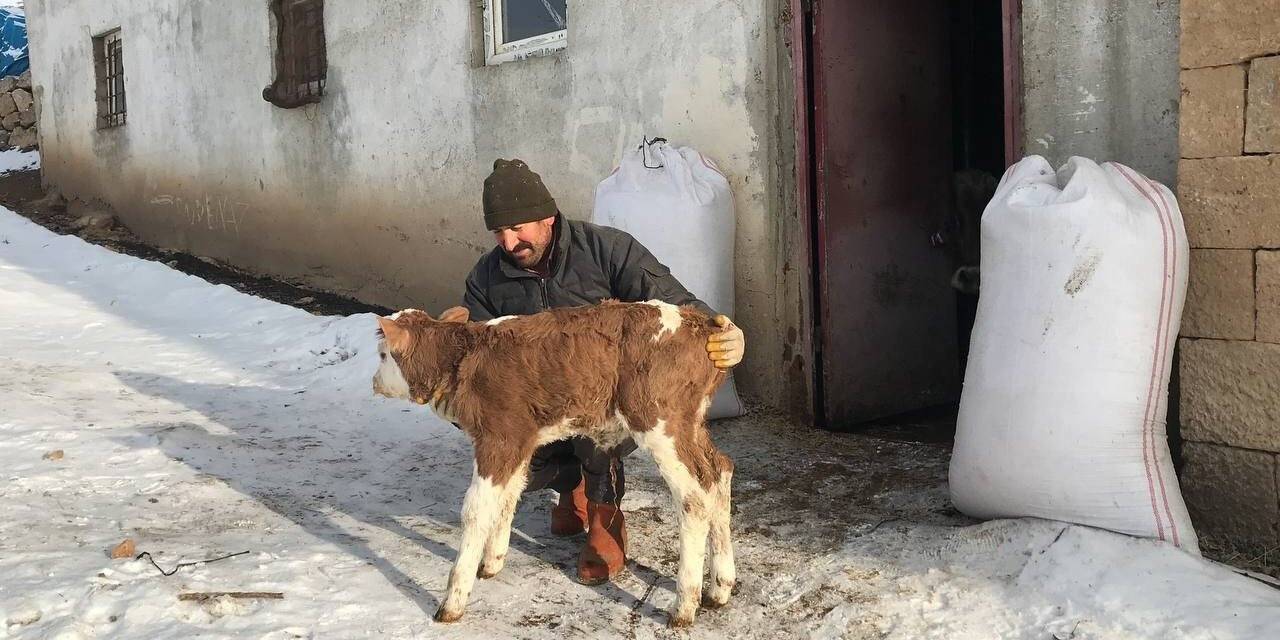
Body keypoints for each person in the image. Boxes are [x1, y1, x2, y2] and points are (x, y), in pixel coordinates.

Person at [439, 158, 745, 585]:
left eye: (519, 228)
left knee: (602, 429)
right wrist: (449, 340)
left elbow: (673, 302)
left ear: (547, 216)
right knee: (500, 433)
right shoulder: (488, 277)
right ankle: (570, 488)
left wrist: (721, 330)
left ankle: (605, 517)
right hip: (541, 406)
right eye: (499, 232)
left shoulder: (606, 249)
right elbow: (477, 352)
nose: (510, 242)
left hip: (607, 397)